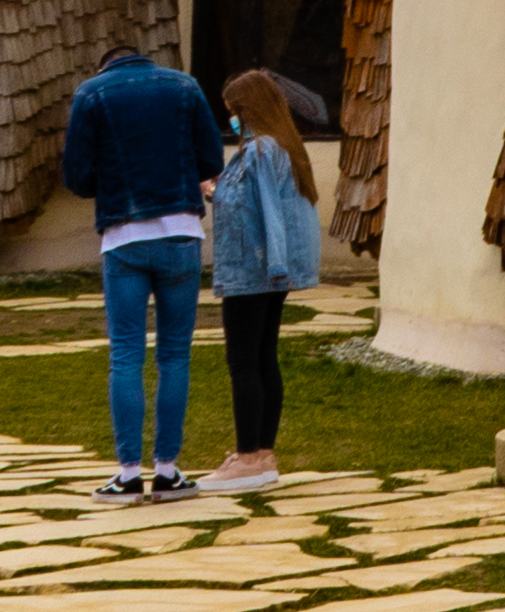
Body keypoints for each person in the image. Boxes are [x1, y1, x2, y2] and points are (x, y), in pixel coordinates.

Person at [58, 33, 226, 498]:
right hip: (181, 234)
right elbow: (211, 159)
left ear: (105, 64)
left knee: (127, 355)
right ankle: (168, 469)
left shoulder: (92, 93)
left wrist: (109, 182)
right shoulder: (186, 86)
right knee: (175, 355)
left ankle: (128, 473)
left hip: (124, 235)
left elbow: (76, 174)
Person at [204, 67, 327, 489]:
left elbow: (271, 215)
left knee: (243, 362)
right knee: (263, 358)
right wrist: (218, 190)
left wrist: (275, 266)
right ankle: (263, 452)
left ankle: (248, 456)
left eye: (234, 110)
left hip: (253, 270)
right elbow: (257, 203)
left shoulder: (259, 150)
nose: (232, 119)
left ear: (249, 107)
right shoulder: (287, 148)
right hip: (272, 272)